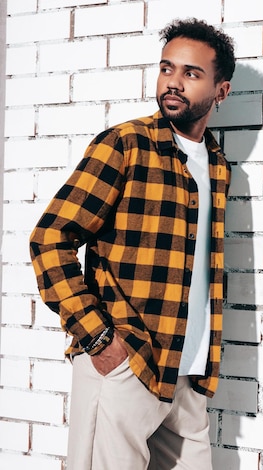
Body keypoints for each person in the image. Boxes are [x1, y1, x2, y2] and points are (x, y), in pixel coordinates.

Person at [29, 18, 235, 469]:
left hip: (188, 374)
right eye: (167, 69)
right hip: (128, 363)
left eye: (191, 73)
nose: (173, 83)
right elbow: (51, 238)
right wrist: (100, 341)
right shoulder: (125, 145)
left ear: (221, 91)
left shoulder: (218, 165)